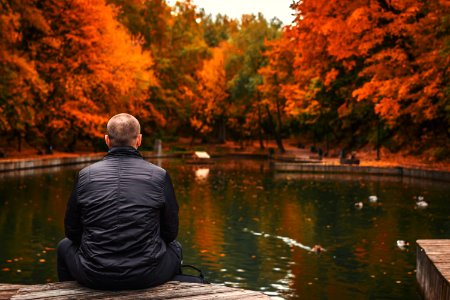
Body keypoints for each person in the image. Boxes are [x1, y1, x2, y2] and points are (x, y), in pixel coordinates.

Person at [57, 113, 182, 290]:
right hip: (146, 275)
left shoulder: (86, 176)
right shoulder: (159, 176)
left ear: (107, 140)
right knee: (175, 247)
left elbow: (72, 232)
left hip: (93, 274)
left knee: (64, 246)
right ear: (139, 140)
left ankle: (67, 294)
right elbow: (170, 233)